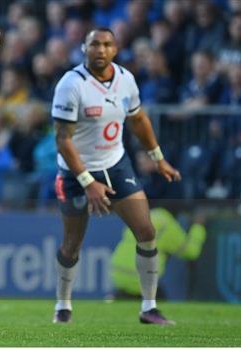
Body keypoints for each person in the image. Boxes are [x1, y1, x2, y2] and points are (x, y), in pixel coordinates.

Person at [52, 28, 181, 325]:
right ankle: (63, 306)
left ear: (116, 48)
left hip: (115, 164)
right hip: (75, 172)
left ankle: (149, 307)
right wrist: (88, 182)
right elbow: (63, 140)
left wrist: (158, 158)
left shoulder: (126, 79)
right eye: (94, 44)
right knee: (71, 244)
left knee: (147, 232)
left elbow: (138, 119)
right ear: (84, 48)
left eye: (107, 44)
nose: (100, 49)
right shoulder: (71, 84)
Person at [111, 208, 206, 298]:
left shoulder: (143, 215)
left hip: (117, 274)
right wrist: (198, 226)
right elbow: (191, 252)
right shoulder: (167, 223)